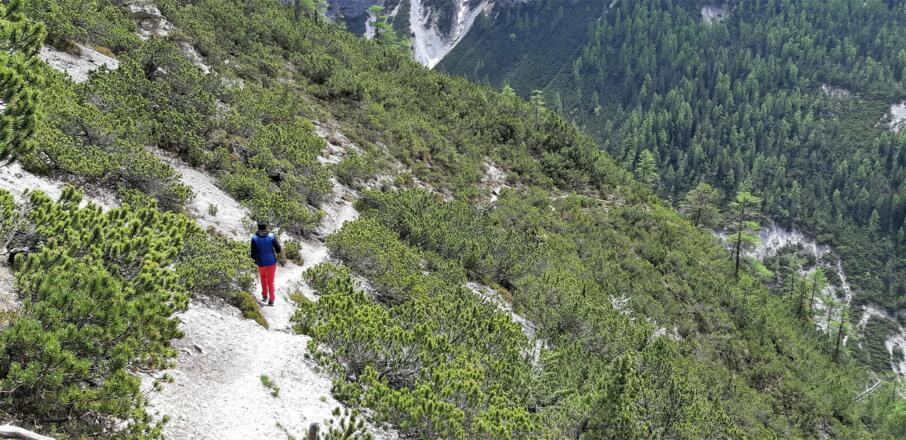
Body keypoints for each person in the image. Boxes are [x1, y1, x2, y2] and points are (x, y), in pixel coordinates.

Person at [250, 221, 281, 306]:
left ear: (258, 227)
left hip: (261, 262)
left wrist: (257, 261)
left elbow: (253, 254)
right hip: (272, 261)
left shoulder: (254, 238)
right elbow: (278, 249)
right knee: (271, 281)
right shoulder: (271, 236)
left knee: (263, 278)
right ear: (266, 227)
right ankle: (271, 300)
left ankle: (264, 295)